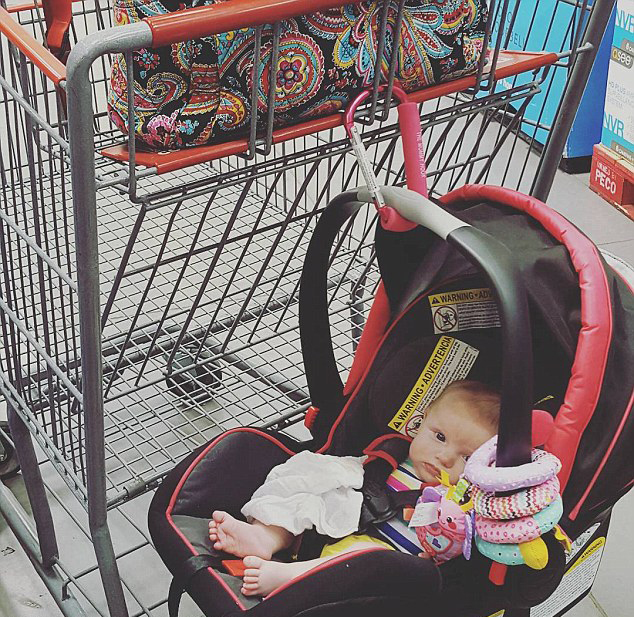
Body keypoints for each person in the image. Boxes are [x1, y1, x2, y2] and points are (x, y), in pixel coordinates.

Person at [209, 380, 500, 597]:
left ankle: (292, 577)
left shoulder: (465, 502)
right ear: (420, 423)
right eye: (439, 437)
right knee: (309, 483)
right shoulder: (393, 456)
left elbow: (465, 546)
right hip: (333, 524)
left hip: (376, 563)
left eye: (467, 457)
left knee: (366, 556)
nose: (445, 457)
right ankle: (266, 536)